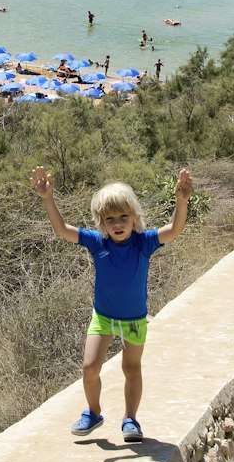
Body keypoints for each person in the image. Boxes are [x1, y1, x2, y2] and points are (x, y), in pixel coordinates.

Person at [32, 165, 193, 444]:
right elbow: (62, 230)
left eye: (123, 217)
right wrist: (48, 198)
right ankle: (93, 412)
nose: (117, 224)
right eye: (109, 219)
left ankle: (130, 419)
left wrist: (182, 201)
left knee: (131, 369)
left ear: (134, 217)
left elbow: (174, 230)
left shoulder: (144, 243)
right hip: (103, 317)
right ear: (101, 222)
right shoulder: (97, 242)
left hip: (133, 320)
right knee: (89, 367)